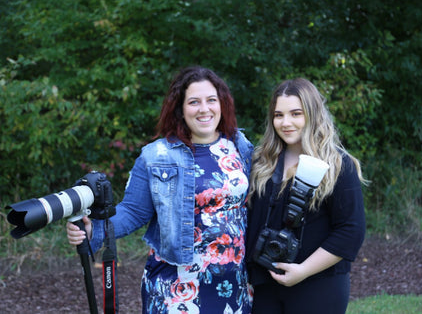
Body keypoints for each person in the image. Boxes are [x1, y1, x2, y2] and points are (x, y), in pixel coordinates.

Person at [67, 66, 254, 313]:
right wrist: (94, 228)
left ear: (222, 103)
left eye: (211, 100)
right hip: (177, 286)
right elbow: (133, 211)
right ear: (180, 108)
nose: (204, 109)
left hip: (233, 285)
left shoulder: (240, 146)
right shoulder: (156, 155)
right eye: (193, 102)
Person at [245, 78, 366, 314]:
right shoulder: (261, 163)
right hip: (265, 285)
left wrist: (304, 270)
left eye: (296, 114)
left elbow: (351, 230)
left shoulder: (338, 165)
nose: (286, 122)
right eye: (278, 115)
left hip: (318, 284)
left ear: (312, 114)